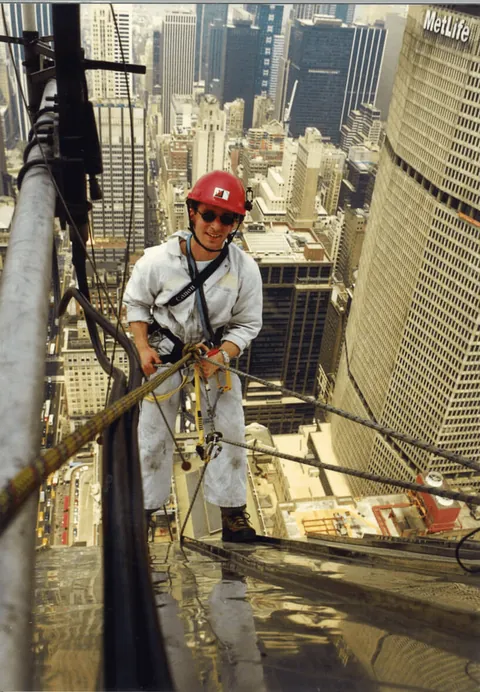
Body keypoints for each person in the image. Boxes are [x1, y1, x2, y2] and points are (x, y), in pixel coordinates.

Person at [123, 170, 263, 542]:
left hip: (213, 358)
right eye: (208, 215)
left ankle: (233, 513)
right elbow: (135, 304)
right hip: (167, 354)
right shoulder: (157, 261)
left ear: (236, 223)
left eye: (227, 218)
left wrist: (222, 354)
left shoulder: (244, 270)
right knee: (153, 435)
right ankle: (146, 511)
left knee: (229, 428)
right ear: (192, 213)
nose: (216, 226)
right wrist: (142, 347)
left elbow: (247, 324)